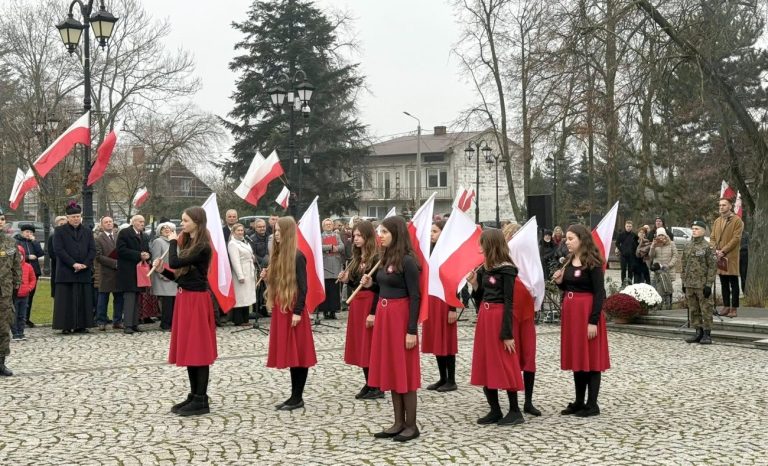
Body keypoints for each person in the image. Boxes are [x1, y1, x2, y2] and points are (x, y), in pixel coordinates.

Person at [360, 216, 421, 442]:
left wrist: (411, 330)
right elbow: (384, 287)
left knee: (405, 370)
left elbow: (415, 297)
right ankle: (398, 423)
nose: (380, 236)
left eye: (384, 232)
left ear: (396, 233)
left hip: (400, 318)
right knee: (392, 369)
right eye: (380, 232)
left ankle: (411, 425)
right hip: (385, 319)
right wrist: (371, 285)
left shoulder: (408, 261)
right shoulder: (385, 258)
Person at [155, 206, 217, 416]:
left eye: (186, 221)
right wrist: (162, 270)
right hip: (186, 297)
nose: (182, 224)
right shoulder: (190, 244)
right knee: (190, 349)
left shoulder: (203, 247)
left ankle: (201, 399)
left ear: (197, 222)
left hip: (197, 301)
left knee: (199, 349)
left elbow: (175, 261)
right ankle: (194, 395)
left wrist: (173, 242)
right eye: (182, 220)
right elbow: (180, 276)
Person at [465, 229, 525, 426]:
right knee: (485, 360)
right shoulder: (485, 268)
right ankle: (495, 410)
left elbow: (509, 302)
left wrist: (507, 333)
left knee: (506, 361)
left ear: (491, 245)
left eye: (482, 244)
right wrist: (475, 284)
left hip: (499, 317)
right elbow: (481, 296)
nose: (480, 248)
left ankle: (515, 411)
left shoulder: (507, 269)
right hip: (485, 316)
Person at [552, 224, 610, 418]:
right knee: (578, 357)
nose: (567, 242)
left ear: (581, 239)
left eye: (571, 239)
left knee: (591, 359)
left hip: (586, 314)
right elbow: (570, 286)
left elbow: (599, 293)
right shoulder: (569, 260)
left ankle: (592, 404)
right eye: (566, 239)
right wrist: (560, 283)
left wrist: (593, 321)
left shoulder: (593, 262)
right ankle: (579, 401)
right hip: (572, 316)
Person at [262, 217, 317, 411]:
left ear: (288, 233)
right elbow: (278, 283)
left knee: (299, 354)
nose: (276, 234)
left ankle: (297, 397)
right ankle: (293, 396)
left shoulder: (297, 256)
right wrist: (268, 278)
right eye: (275, 231)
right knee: (291, 354)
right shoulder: (277, 256)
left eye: (279, 231)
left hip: (293, 309)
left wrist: (298, 312)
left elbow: (303, 287)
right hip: (282, 307)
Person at [338, 220, 383, 400]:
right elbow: (357, 285)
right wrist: (347, 280)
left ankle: (377, 385)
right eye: (354, 235)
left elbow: (379, 288)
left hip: (370, 303)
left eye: (359, 235)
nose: (355, 239)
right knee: (361, 345)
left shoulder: (376, 258)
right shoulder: (357, 258)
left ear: (368, 236)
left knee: (370, 344)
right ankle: (369, 381)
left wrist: (373, 313)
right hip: (357, 304)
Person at [503, 223, 542, 417]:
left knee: (529, 356)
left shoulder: (528, 262)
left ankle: (528, 401)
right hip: (511, 314)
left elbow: (537, 284)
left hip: (526, 315)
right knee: (512, 356)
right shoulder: (504, 262)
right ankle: (513, 403)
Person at [422, 220, 459, 393]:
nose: (431, 234)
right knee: (436, 339)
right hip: (432, 300)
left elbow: (454, 281)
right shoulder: (430, 251)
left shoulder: (448, 253)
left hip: (445, 301)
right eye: (430, 231)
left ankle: (451, 379)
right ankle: (442, 377)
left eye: (435, 231)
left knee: (447, 340)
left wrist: (452, 308)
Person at [52, 202, 97, 334]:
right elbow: (59, 250)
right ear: (68, 218)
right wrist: (73, 264)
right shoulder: (59, 231)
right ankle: (65, 325)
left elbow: (92, 249)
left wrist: (85, 264)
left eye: (78, 216)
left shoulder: (87, 231)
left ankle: (81, 325)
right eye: (73, 217)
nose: (76, 219)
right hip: (66, 271)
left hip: (83, 270)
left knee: (83, 299)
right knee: (66, 300)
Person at [683, 220, 717, 345]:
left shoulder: (707, 247)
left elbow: (712, 267)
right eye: (693, 229)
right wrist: (683, 282)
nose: (694, 231)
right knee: (693, 309)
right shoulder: (688, 246)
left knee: (706, 309)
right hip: (690, 284)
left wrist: (709, 284)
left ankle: (707, 334)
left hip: (702, 284)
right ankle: (698, 332)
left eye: (697, 229)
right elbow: (684, 264)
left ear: (703, 231)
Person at [116, 215, 151, 334]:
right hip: (128, 271)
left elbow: (147, 250)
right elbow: (121, 250)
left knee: (137, 298)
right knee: (129, 298)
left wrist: (148, 255)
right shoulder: (124, 233)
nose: (142, 223)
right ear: (133, 222)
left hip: (139, 271)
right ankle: (128, 325)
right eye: (140, 221)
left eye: (143, 221)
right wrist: (138, 255)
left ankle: (135, 323)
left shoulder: (144, 235)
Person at [710, 197, 744, 318]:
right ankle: (726, 306)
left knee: (733, 283)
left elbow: (736, 239)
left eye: (724, 205)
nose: (721, 207)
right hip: (719, 256)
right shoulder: (717, 221)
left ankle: (733, 308)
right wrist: (715, 250)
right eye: (720, 205)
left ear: (730, 206)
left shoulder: (737, 221)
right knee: (723, 282)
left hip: (731, 256)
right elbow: (712, 237)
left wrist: (723, 251)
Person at [0, 210, 22, 376]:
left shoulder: (10, 242)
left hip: (5, 293)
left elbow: (16, 266)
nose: (0, 221)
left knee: (3, 327)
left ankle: (1, 362)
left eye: (2, 219)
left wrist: (16, 284)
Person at [94, 216, 123, 331]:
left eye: (110, 221)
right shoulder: (98, 239)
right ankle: (101, 321)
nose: (109, 223)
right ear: (102, 225)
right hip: (106, 273)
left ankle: (117, 321)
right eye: (106, 222)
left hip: (119, 274)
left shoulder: (118, 237)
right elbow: (98, 256)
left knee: (119, 299)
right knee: (103, 299)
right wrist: (115, 263)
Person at [150, 222, 178, 331]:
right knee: (167, 302)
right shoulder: (158, 241)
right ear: (160, 231)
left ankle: (173, 323)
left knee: (174, 301)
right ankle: (165, 324)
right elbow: (156, 259)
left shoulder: (175, 242)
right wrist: (162, 274)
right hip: (163, 276)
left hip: (174, 275)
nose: (166, 229)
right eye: (163, 228)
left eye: (169, 228)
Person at [14, 224, 43, 328]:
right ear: (22, 232)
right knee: (19, 296)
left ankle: (26, 318)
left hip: (33, 271)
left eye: (31, 232)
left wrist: (34, 241)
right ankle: (17, 318)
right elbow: (16, 255)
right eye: (27, 232)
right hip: (21, 271)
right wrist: (27, 257)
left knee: (30, 296)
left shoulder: (33, 242)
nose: (29, 234)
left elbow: (40, 253)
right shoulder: (17, 241)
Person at [228, 223, 256, 326]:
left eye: (242, 230)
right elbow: (235, 261)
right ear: (233, 232)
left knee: (246, 296)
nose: (240, 232)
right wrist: (240, 275)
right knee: (240, 297)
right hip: (241, 272)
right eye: (238, 230)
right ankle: (238, 320)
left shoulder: (245, 241)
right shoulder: (232, 244)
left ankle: (245, 319)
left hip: (249, 270)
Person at [320, 218, 345, 320]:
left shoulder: (337, 236)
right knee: (326, 289)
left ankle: (333, 311)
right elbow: (319, 246)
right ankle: (325, 310)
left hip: (335, 264)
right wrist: (330, 247)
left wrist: (336, 248)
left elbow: (342, 246)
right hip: (325, 265)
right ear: (323, 226)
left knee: (335, 290)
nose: (329, 226)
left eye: (330, 224)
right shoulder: (320, 236)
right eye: (327, 224)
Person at [12, 245, 37, 341]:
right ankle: (15, 333)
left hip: (25, 295)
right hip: (14, 296)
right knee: (14, 315)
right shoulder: (11, 267)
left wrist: (29, 288)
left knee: (22, 315)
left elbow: (33, 279)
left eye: (20, 255)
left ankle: (21, 332)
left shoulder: (28, 266)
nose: (19, 257)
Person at [649, 228, 677, 309]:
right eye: (659, 235)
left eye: (662, 235)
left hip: (667, 270)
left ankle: (668, 306)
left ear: (665, 235)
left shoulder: (671, 243)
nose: (660, 237)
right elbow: (651, 256)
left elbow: (675, 256)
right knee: (656, 288)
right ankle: (657, 306)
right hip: (657, 270)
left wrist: (669, 265)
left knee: (667, 288)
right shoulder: (655, 244)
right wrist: (652, 246)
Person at [46, 216, 68, 298]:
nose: (63, 226)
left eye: (65, 224)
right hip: (58, 267)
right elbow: (52, 253)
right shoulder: (52, 237)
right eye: (61, 224)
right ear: (56, 225)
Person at [615, 220, 639, 285]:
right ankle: (623, 283)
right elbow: (617, 243)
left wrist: (634, 251)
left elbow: (637, 244)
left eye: (630, 226)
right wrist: (621, 249)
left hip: (631, 256)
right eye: (627, 226)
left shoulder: (634, 235)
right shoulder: (621, 234)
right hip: (623, 255)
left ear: (632, 227)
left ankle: (630, 283)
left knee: (630, 270)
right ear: (625, 226)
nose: (628, 228)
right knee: (623, 270)